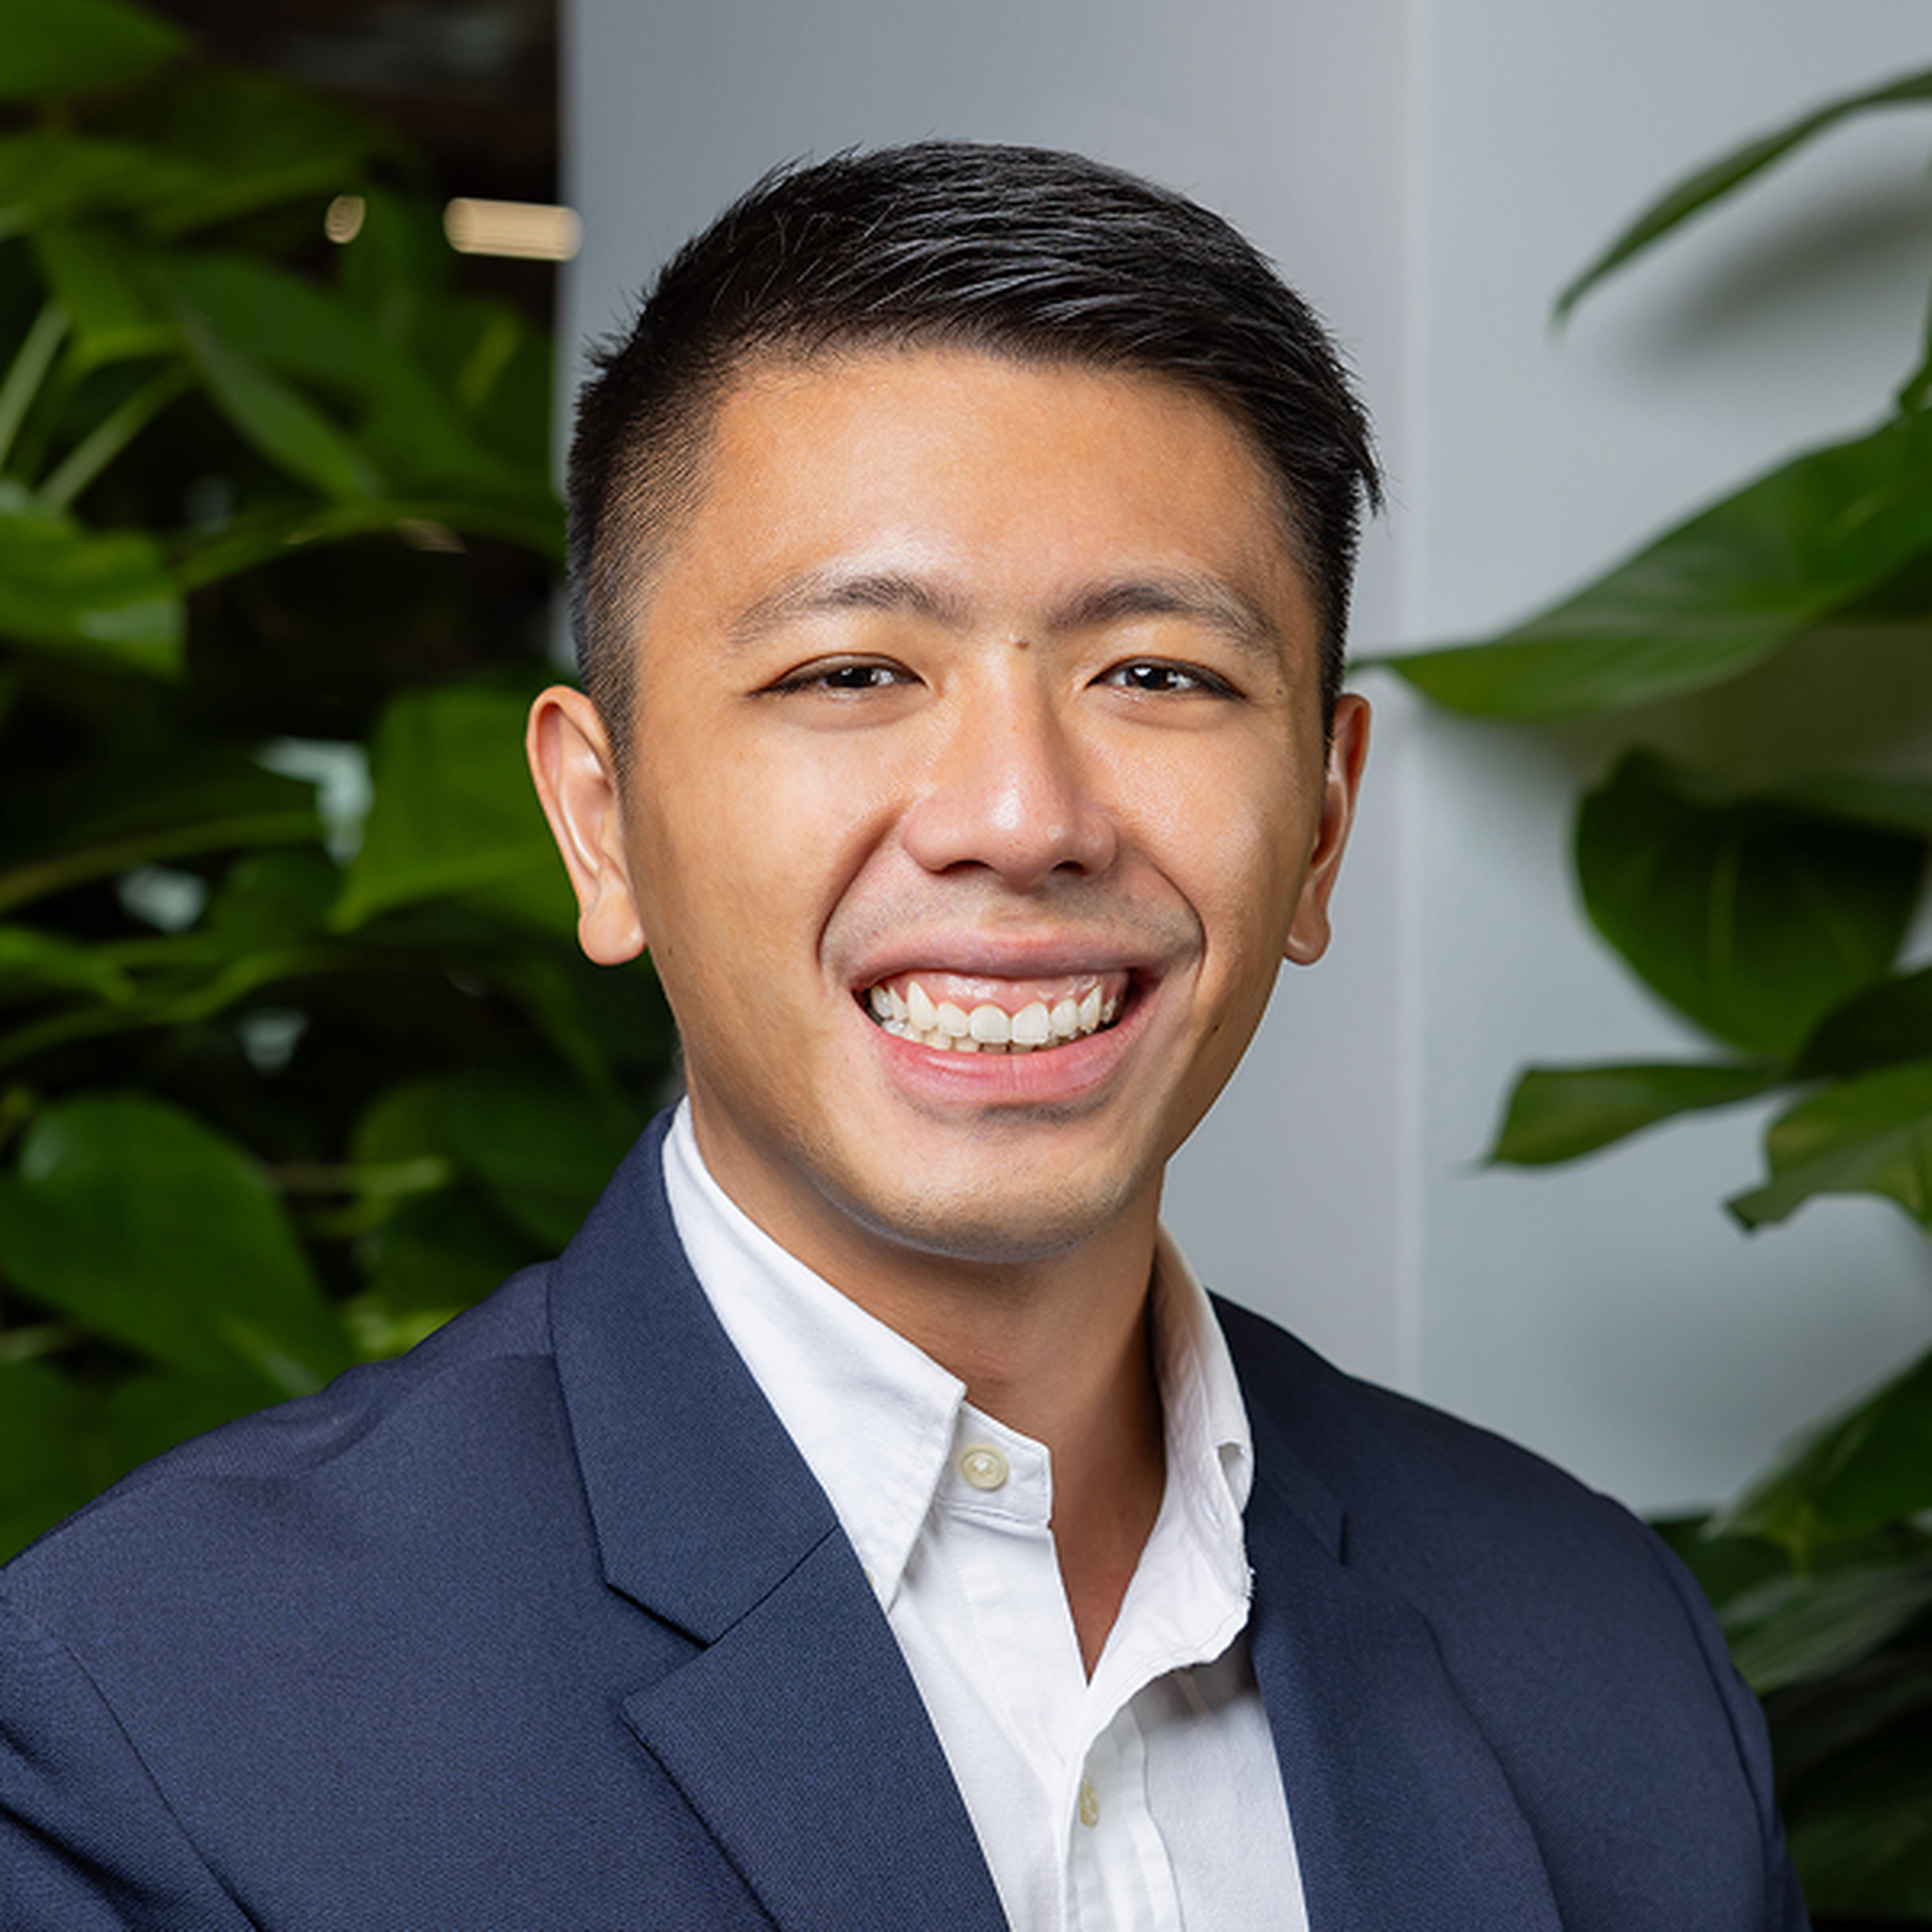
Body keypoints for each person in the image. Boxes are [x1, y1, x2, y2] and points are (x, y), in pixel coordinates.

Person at [0, 143, 1806, 1931]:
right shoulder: (164, 1711)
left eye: (1157, 673)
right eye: (852, 671)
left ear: (1320, 822)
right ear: (599, 821)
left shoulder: (1598, 1649)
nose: (1019, 815)